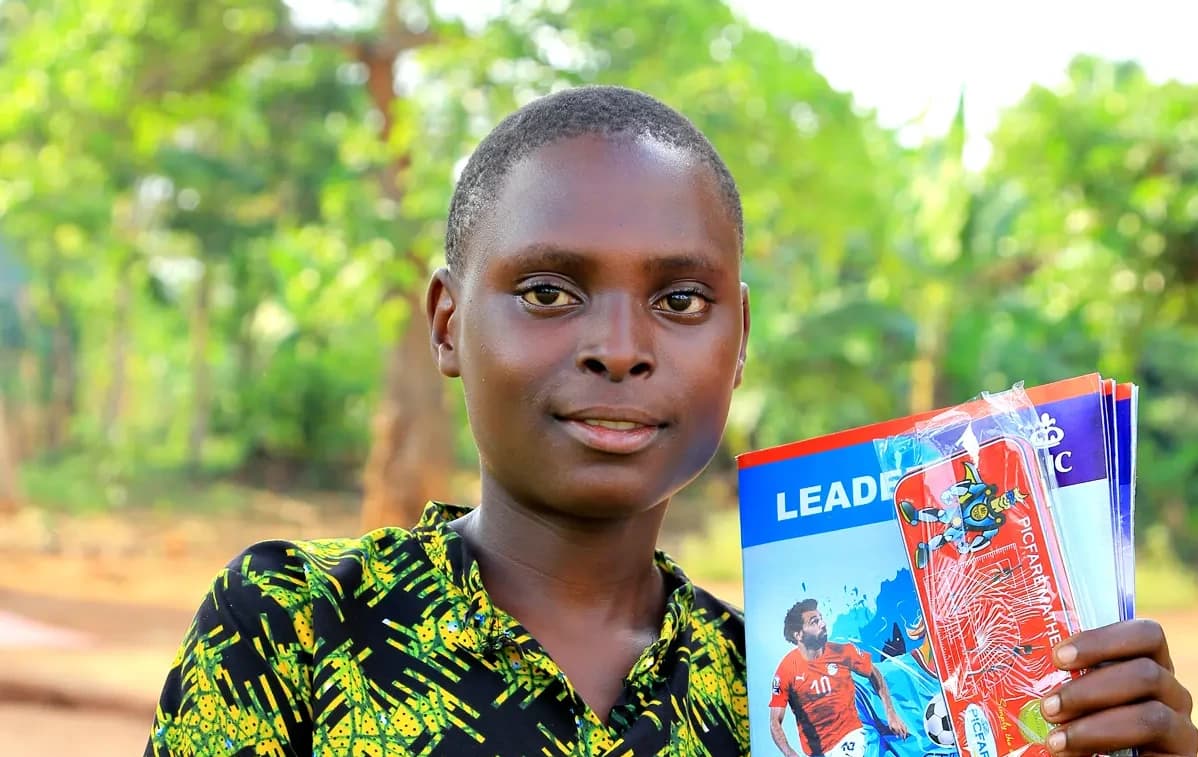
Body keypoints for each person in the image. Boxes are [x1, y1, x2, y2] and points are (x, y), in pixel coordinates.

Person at [145, 85, 1198, 757]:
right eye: (549, 291)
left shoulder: (762, 708)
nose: (619, 345)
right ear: (449, 324)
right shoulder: (292, 624)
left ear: (737, 341)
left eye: (680, 300)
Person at [769, 599, 909, 757]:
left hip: (851, 737)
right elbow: (775, 721)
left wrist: (891, 714)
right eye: (814, 622)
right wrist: (790, 753)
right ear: (798, 635)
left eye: (821, 618)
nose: (822, 624)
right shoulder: (786, 670)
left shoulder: (843, 652)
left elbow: (874, 673)